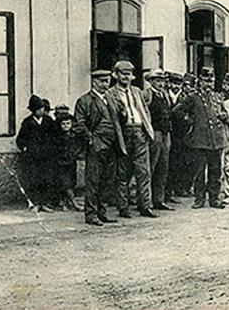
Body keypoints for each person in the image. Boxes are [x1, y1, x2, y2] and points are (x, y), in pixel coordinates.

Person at [106, 60, 158, 219]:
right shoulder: (110, 93)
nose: (126, 77)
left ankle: (145, 206)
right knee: (123, 173)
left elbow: (145, 111)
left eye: (129, 74)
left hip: (139, 132)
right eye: (123, 74)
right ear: (116, 75)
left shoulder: (137, 91)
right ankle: (123, 207)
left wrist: (147, 129)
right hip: (124, 133)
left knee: (144, 171)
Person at [171, 66, 228, 209]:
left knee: (216, 171)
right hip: (199, 140)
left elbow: (225, 113)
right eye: (206, 81)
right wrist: (190, 122)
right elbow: (177, 111)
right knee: (199, 171)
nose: (209, 84)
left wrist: (225, 116)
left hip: (216, 139)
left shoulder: (217, 96)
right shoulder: (193, 97)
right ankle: (199, 199)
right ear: (200, 81)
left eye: (211, 81)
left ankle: (214, 199)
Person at [74, 69, 123, 226]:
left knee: (108, 181)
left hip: (112, 145)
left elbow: (118, 119)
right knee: (93, 181)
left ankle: (102, 213)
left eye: (107, 81)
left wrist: (122, 111)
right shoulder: (85, 100)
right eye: (102, 81)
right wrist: (91, 140)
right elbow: (79, 124)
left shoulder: (111, 99)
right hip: (96, 145)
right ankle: (91, 214)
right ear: (94, 82)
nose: (105, 84)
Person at [15, 95, 57, 213]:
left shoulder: (48, 121)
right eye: (38, 109)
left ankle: (45, 203)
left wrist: (52, 148)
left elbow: (55, 136)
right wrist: (25, 148)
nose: (41, 111)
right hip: (33, 157)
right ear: (33, 110)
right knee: (34, 180)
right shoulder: (27, 122)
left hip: (47, 156)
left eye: (42, 108)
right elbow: (20, 139)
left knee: (47, 179)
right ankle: (36, 203)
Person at [146, 69, 174, 211]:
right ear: (151, 81)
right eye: (157, 80)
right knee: (152, 165)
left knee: (163, 167)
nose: (160, 83)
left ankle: (159, 199)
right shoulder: (147, 94)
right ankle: (147, 200)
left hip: (165, 133)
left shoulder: (165, 95)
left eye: (162, 81)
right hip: (154, 132)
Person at [165, 71, 189, 203]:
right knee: (165, 164)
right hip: (167, 133)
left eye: (179, 84)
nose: (176, 86)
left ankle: (173, 191)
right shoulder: (165, 95)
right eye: (174, 83)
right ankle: (164, 192)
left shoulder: (185, 97)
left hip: (181, 135)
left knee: (178, 163)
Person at [54, 106, 84, 212]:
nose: (66, 126)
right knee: (65, 183)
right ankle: (74, 203)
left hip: (71, 162)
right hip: (61, 163)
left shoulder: (74, 136)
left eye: (68, 123)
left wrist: (76, 155)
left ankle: (65, 203)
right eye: (63, 124)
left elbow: (78, 147)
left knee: (71, 181)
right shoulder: (57, 137)